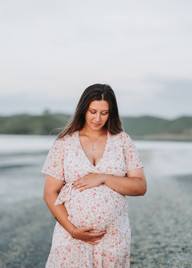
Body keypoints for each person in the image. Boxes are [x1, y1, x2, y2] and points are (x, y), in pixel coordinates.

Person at [42, 84, 147, 268]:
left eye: (104, 113)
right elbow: (50, 193)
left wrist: (103, 177)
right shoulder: (64, 143)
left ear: (111, 113)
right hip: (71, 237)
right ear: (83, 109)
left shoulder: (122, 141)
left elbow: (140, 187)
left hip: (113, 237)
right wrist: (73, 230)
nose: (97, 118)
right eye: (93, 111)